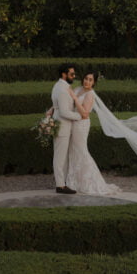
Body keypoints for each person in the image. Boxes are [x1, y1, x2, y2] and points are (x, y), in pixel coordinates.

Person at [67, 69, 122, 196]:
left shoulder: (90, 94)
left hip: (81, 124)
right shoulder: (78, 88)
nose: (87, 81)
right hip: (72, 123)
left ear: (94, 82)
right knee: (73, 151)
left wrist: (75, 98)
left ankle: (91, 182)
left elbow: (85, 114)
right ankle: (74, 181)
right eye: (86, 78)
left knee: (81, 151)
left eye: (90, 80)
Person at [50, 62, 87, 194]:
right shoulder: (62, 89)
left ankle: (62, 183)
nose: (74, 76)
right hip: (62, 126)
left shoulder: (59, 86)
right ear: (63, 74)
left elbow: (56, 106)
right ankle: (60, 185)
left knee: (62, 156)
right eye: (71, 74)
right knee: (60, 157)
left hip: (60, 124)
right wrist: (80, 116)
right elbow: (65, 112)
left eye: (74, 73)